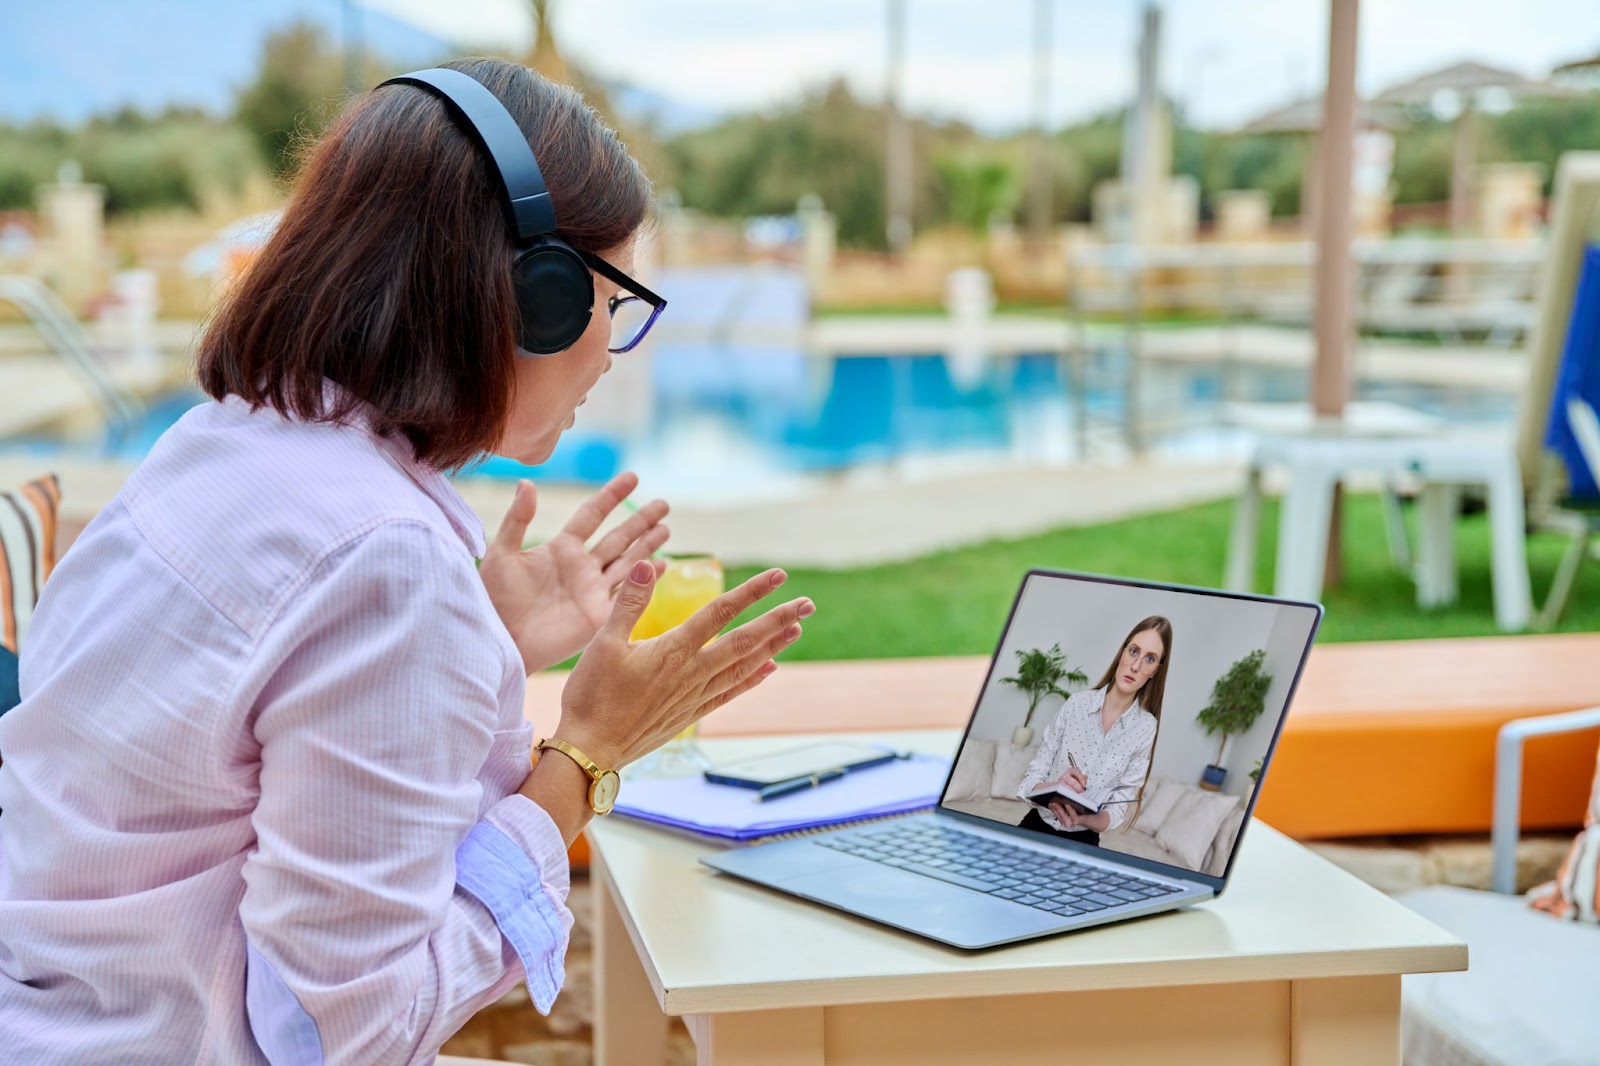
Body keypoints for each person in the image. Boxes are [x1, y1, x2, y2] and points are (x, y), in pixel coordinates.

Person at [0, 58, 814, 1064]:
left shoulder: (215, 447)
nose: (611, 349)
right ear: (537, 296)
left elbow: (237, 740)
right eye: (614, 301)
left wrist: (483, 645)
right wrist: (590, 755)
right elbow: (345, 1034)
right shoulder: (384, 559)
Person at [1014, 616, 1171, 848]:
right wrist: (1055, 788)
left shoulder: (1146, 728)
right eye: (1133, 651)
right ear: (1122, 653)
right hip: (1037, 826)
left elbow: (1118, 807)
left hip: (1084, 840)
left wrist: (1083, 817)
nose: (1136, 666)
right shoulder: (1076, 704)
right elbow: (1030, 782)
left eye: (1150, 659)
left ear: (1156, 671)